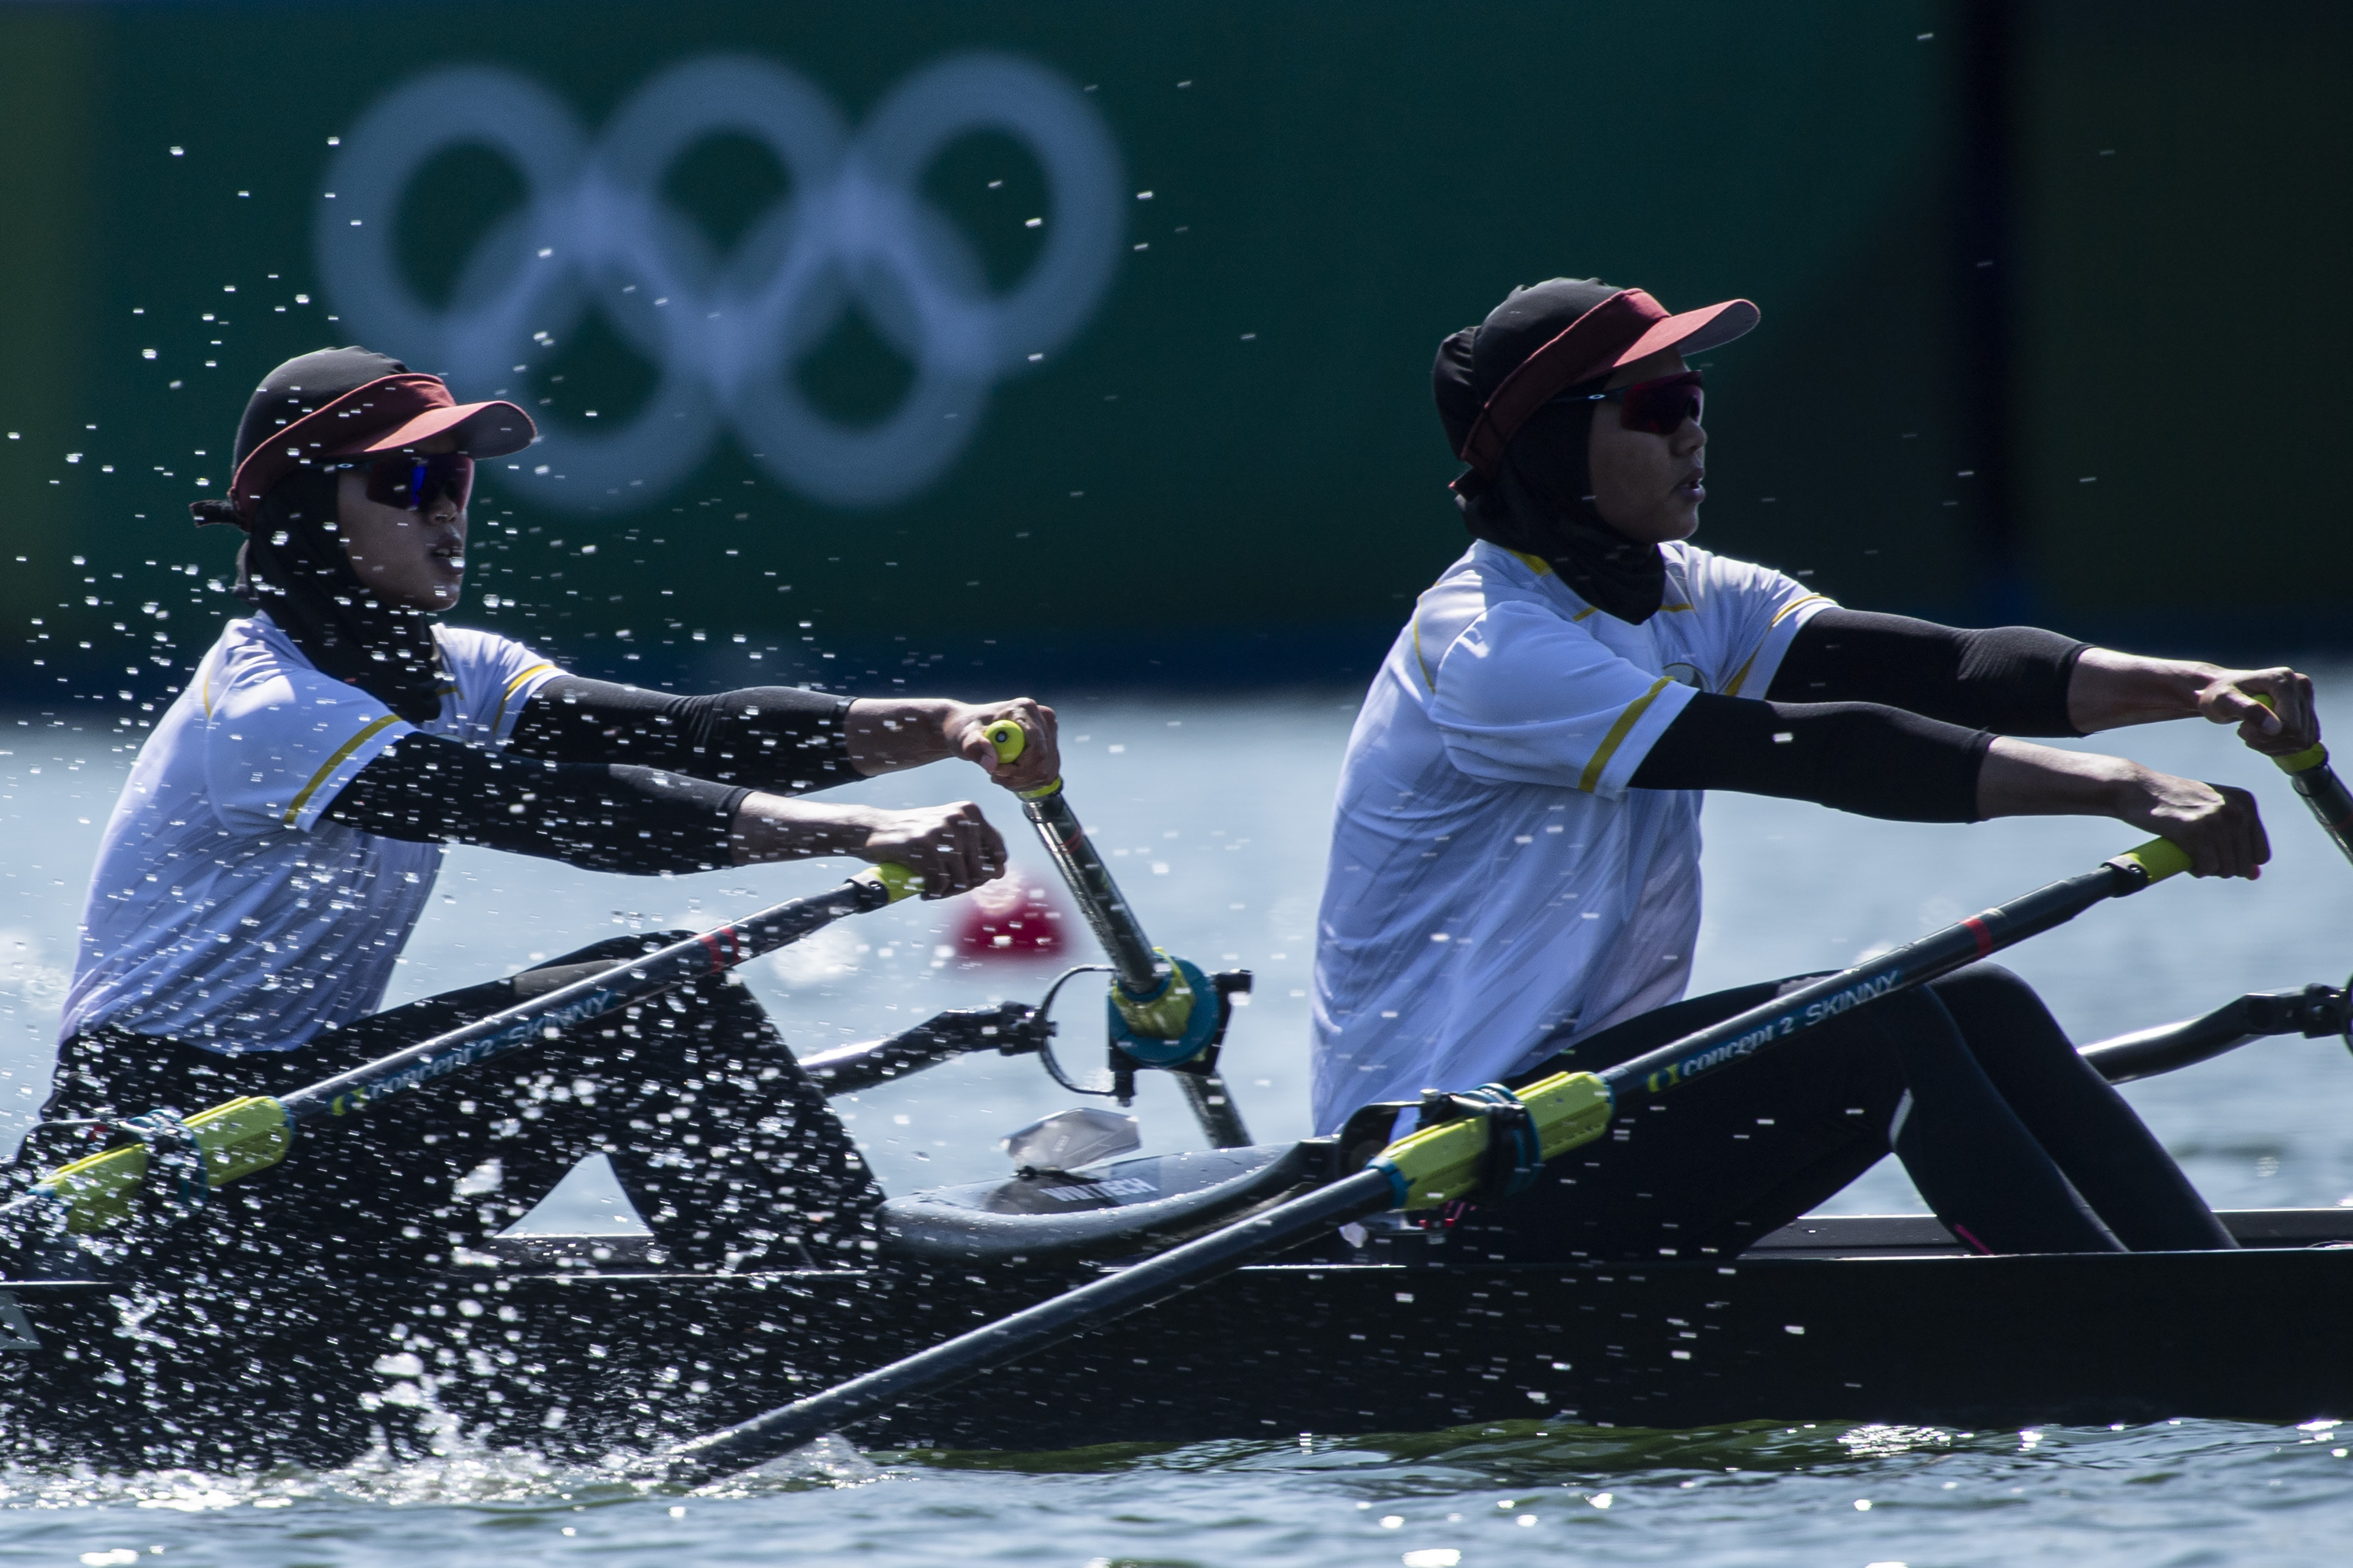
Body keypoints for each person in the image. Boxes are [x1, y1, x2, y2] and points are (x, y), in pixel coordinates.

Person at [1313, 278, 2318, 1259]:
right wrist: (2131, 789)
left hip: (1579, 1116)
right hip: (1442, 1174)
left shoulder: (1685, 595)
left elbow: (1947, 667)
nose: (1693, 431)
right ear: (1548, 446)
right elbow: (1822, 751)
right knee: (1880, 1033)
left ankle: (2205, 1287)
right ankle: (2130, 1342)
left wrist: (2197, 687)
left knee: (1982, 1003)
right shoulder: (1493, 647)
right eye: (1656, 406)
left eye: (1694, 398)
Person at [34, 346, 1056, 1277]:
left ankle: (804, 1273)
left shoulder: (459, 672)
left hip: (292, 1129)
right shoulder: (265, 710)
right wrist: (862, 832)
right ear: (302, 510)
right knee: (636, 997)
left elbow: (692, 731)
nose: (447, 509)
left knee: (636, 997)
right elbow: (561, 812)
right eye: (407, 480)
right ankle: (825, 1303)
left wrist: (949, 724)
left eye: (458, 478)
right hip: (154, 1168)